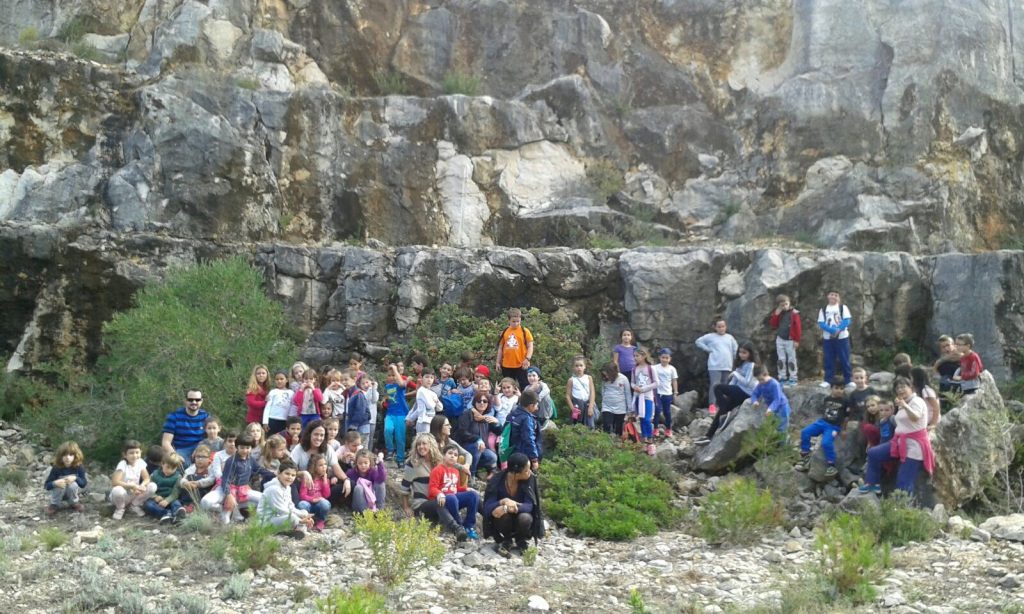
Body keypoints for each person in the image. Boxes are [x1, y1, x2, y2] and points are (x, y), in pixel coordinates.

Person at [859, 377, 934, 495]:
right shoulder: (903, 403)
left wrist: (905, 405)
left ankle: (903, 505)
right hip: (899, 441)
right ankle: (873, 484)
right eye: (897, 388)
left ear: (911, 387)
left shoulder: (917, 401)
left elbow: (916, 417)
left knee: (903, 481)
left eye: (903, 387)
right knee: (873, 453)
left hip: (914, 445)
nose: (900, 390)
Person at [400, 434, 470, 540]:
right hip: (422, 504)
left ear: (431, 445)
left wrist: (462, 468)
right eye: (418, 444)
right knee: (439, 503)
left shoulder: (438, 461)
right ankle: (456, 528)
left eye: (424, 443)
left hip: (440, 498)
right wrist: (406, 507)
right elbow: (404, 487)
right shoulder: (412, 463)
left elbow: (451, 463)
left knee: (471, 496)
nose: (421, 447)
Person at [483, 452, 544, 557]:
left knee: (525, 518)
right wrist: (502, 502)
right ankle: (507, 540)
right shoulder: (496, 480)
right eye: (526, 470)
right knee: (501, 514)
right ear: (516, 473)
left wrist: (508, 507)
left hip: (521, 517)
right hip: (503, 520)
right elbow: (487, 507)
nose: (530, 472)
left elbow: (530, 505)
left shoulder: (530, 479)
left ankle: (521, 540)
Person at [697, 341, 759, 445]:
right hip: (738, 391)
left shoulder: (751, 365)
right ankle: (708, 436)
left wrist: (735, 374)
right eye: (740, 352)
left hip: (746, 393)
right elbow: (734, 382)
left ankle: (724, 412)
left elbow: (747, 382)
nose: (741, 355)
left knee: (717, 387)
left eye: (744, 353)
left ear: (750, 353)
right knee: (721, 410)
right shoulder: (741, 364)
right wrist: (728, 390)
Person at [794, 377, 850, 478]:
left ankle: (831, 465)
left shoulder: (845, 401)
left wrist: (843, 429)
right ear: (831, 388)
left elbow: (846, 417)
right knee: (805, 432)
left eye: (841, 388)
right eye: (836, 388)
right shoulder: (827, 399)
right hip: (822, 422)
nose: (839, 391)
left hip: (833, 426)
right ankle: (805, 456)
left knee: (826, 443)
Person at [290, 420, 353, 506]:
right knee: (291, 484)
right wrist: (303, 473)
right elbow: (289, 469)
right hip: (303, 487)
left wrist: (346, 479)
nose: (319, 438)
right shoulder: (299, 448)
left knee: (351, 484)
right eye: (316, 434)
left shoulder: (327, 448)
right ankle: (299, 507)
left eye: (322, 435)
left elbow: (336, 468)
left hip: (322, 488)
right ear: (309, 434)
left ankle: (323, 504)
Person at [430, 444, 481, 540]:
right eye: (450, 453)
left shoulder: (456, 471)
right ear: (443, 455)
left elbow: (456, 489)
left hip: (454, 498)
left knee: (473, 495)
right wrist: (439, 494)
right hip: (444, 501)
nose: (452, 456)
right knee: (451, 497)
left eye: (455, 455)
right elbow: (432, 488)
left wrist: (466, 489)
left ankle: (468, 526)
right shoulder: (437, 470)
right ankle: (459, 526)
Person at [210, 435, 262, 524]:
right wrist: (228, 493)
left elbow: (257, 470)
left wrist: (272, 475)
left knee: (262, 498)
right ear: (237, 447)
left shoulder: (249, 459)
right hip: (228, 487)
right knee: (227, 510)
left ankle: (256, 519)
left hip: (242, 488)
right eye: (242, 447)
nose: (245, 450)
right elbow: (223, 477)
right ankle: (225, 518)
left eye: (247, 448)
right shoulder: (228, 459)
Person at [257, 459, 313, 539]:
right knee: (292, 518)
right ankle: (282, 531)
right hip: (266, 522)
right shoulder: (274, 489)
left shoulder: (287, 488)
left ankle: (299, 531)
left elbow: (291, 507)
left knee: (304, 512)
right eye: (287, 473)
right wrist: (300, 520)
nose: (290, 477)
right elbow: (282, 510)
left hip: (278, 518)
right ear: (279, 473)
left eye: (293, 475)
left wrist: (304, 515)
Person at [453, 392, 500, 478]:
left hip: (481, 448)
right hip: (465, 446)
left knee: (492, 457)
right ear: (474, 402)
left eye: (484, 401)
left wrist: (497, 422)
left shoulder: (486, 418)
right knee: (476, 447)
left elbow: (499, 432)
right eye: (479, 401)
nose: (482, 403)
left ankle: (475, 469)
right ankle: (471, 476)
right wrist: (477, 439)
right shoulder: (467, 414)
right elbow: (462, 432)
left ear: (488, 404)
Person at [695, 317, 739, 409]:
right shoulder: (710, 336)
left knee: (725, 386)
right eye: (719, 327)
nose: (721, 328)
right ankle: (712, 405)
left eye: (723, 326)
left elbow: (735, 350)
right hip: (714, 365)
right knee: (715, 385)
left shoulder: (730, 338)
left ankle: (722, 405)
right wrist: (708, 349)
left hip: (727, 365)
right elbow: (698, 341)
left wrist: (736, 360)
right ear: (715, 327)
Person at [109, 439, 156, 520]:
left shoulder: (140, 462)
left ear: (141, 452)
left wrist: (142, 485)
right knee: (117, 490)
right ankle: (120, 508)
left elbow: (147, 478)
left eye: (137, 452)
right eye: (131, 453)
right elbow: (115, 482)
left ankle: (134, 505)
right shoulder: (122, 464)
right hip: (122, 495)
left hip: (134, 493)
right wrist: (131, 486)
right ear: (125, 455)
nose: (135, 455)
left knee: (153, 486)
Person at [161, 389, 210, 463]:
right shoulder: (174, 416)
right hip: (181, 451)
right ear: (185, 400)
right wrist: (175, 456)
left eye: (197, 400)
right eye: (190, 400)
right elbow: (166, 442)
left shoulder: (206, 416)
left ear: (201, 401)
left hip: (200, 450)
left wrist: (200, 450)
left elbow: (212, 438)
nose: (194, 402)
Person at [817, 291, 852, 388]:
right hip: (828, 338)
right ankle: (828, 380)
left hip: (842, 337)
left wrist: (838, 329)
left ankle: (848, 379)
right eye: (831, 294)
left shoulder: (843, 308)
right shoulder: (823, 309)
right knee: (829, 359)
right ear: (827, 296)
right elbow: (821, 323)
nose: (833, 297)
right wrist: (831, 330)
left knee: (844, 358)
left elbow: (847, 320)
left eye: (836, 295)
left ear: (839, 298)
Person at [495, 307, 534, 391]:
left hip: (521, 364)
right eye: (513, 321)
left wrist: (527, 359)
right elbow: (500, 348)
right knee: (508, 387)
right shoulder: (505, 331)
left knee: (524, 385)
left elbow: (530, 346)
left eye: (518, 321)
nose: (516, 323)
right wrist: (498, 362)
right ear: (509, 320)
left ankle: (524, 399)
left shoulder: (525, 331)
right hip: (507, 365)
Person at [44, 440, 87, 516]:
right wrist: (55, 483)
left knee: (73, 485)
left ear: (75, 456)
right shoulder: (56, 468)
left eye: (71, 455)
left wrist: (75, 478)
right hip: (58, 493)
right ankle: (54, 505)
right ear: (60, 456)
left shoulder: (79, 467)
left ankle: (74, 503)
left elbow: (83, 484)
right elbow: (46, 485)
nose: (67, 458)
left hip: (72, 492)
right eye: (65, 455)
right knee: (59, 485)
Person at [768, 294, 801, 386]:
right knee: (781, 359)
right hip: (780, 339)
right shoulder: (779, 313)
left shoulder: (794, 313)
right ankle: (782, 377)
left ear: (789, 303)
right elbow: (773, 325)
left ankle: (793, 378)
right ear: (779, 305)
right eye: (782, 305)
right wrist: (776, 314)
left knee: (791, 359)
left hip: (790, 340)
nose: (784, 306)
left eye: (786, 304)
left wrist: (796, 340)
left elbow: (798, 328)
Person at [145, 452, 187, 524]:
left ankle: (178, 514)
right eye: (167, 467)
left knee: (176, 503)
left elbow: (176, 492)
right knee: (148, 504)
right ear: (162, 464)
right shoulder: (154, 474)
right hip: (158, 500)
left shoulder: (178, 477)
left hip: (171, 499)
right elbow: (149, 487)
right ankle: (166, 514)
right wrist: (155, 496)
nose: (170, 470)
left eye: (173, 468)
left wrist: (167, 500)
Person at [506, 389, 542, 471]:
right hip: (523, 454)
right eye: (536, 405)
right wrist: (534, 459)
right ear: (531, 406)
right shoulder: (526, 419)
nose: (537, 408)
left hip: (511, 451)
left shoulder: (512, 414)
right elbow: (529, 439)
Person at [749, 365, 791, 435]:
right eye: (758, 380)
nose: (760, 382)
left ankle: (784, 441)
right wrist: (755, 401)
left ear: (766, 374)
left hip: (782, 408)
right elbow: (754, 393)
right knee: (773, 427)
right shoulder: (761, 384)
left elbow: (777, 399)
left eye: (761, 379)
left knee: (782, 429)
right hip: (772, 410)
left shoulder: (774, 384)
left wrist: (770, 408)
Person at [631, 349, 658, 455]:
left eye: (637, 356)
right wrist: (635, 387)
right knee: (641, 419)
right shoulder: (634, 369)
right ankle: (644, 441)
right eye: (634, 356)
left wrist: (644, 388)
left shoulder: (651, 368)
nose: (635, 358)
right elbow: (632, 382)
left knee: (647, 418)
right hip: (638, 397)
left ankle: (651, 440)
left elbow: (656, 383)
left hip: (648, 397)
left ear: (643, 356)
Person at [297, 453, 332, 531]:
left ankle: (321, 520)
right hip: (309, 504)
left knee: (325, 504)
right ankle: (307, 521)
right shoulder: (307, 479)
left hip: (319, 505)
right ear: (314, 467)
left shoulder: (325, 480)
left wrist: (325, 481)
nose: (324, 467)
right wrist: (313, 499)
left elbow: (327, 495)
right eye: (320, 465)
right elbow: (302, 495)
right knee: (302, 504)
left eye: (325, 464)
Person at [599, 362, 631, 436]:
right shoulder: (604, 380)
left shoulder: (623, 379)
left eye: (607, 374)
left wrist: (629, 409)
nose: (606, 376)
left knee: (618, 428)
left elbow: (628, 394)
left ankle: (617, 440)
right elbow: (603, 391)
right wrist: (604, 402)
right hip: (607, 407)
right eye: (604, 375)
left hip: (620, 408)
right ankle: (606, 440)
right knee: (607, 425)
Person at [652, 348, 679, 437]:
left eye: (667, 358)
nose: (664, 360)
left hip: (667, 393)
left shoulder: (672, 369)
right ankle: (655, 428)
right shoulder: (655, 368)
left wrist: (675, 392)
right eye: (663, 357)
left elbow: (674, 380)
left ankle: (668, 429)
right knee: (657, 410)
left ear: (670, 359)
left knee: (667, 412)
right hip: (657, 392)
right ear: (659, 357)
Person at [179, 444, 215, 511]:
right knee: (188, 478)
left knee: (197, 479)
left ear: (209, 458)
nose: (200, 459)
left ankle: (195, 506)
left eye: (203, 457)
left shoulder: (211, 468)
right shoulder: (192, 468)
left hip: (203, 491)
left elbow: (212, 479)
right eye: (198, 456)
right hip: (190, 490)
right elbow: (183, 478)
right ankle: (186, 505)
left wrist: (197, 483)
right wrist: (185, 483)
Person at [408, 367, 442, 435]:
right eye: (427, 377)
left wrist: (436, 402)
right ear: (422, 378)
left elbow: (440, 408)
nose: (429, 380)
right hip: (423, 421)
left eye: (431, 378)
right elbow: (430, 405)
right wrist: (435, 401)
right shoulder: (421, 391)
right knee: (423, 439)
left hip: (432, 421)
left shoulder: (432, 393)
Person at [566, 356, 596, 429]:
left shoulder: (588, 378)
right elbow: (567, 396)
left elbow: (592, 392)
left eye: (581, 365)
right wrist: (572, 408)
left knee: (590, 425)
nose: (579, 368)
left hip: (587, 404)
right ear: (573, 367)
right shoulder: (571, 380)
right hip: (577, 405)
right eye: (576, 366)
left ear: (584, 367)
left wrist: (591, 407)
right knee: (577, 425)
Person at [933, 335, 961, 411]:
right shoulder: (941, 363)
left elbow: (959, 356)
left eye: (948, 345)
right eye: (943, 347)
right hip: (948, 382)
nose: (946, 349)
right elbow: (935, 373)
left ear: (954, 345)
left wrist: (941, 360)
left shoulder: (960, 354)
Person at [263, 370, 295, 435]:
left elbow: (293, 407)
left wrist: (290, 420)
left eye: (281, 379)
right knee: (271, 438)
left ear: (287, 380)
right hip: (272, 419)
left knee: (283, 438)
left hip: (285, 420)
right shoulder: (273, 392)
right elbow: (267, 407)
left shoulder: (291, 393)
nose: (279, 381)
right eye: (277, 379)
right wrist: (265, 422)